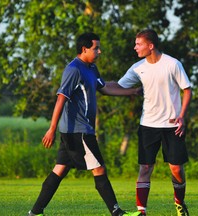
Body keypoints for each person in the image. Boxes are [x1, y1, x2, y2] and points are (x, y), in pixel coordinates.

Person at [27, 33, 142, 216]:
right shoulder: (74, 69)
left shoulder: (92, 68)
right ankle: (117, 212)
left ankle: (35, 212)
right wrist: (51, 129)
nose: (99, 51)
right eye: (96, 48)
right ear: (84, 49)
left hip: (76, 131)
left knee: (60, 169)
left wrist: (132, 91)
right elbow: (61, 99)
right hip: (78, 131)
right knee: (99, 168)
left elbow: (104, 88)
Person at [110, 29, 192, 216]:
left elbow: (187, 90)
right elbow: (119, 86)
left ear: (151, 45)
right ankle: (142, 211)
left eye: (138, 44)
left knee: (176, 169)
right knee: (145, 168)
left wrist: (182, 116)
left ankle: (179, 202)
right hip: (148, 125)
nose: (135, 47)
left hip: (172, 125)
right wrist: (96, 84)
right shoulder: (137, 67)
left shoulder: (173, 64)